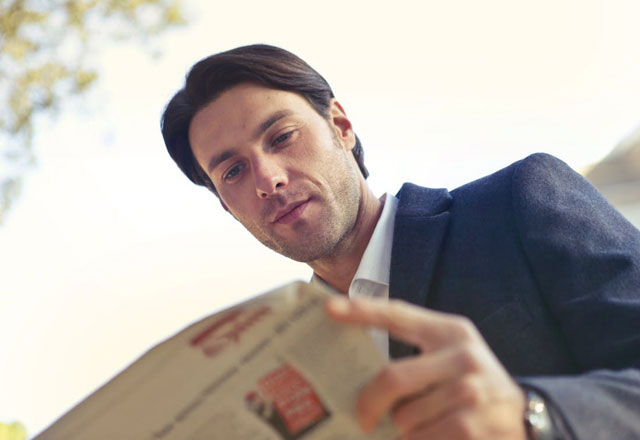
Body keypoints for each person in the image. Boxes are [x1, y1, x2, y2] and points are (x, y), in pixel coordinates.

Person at [160, 44, 640, 439]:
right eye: (233, 172)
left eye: (282, 136)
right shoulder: (282, 362)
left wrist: (533, 417)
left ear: (341, 127)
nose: (269, 180)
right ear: (227, 206)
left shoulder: (519, 202)